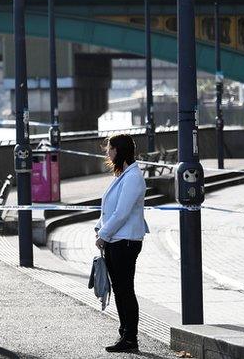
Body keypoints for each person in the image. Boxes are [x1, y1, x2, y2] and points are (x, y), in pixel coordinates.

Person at [94, 133, 149, 353]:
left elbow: (122, 212)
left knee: (125, 289)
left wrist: (104, 234)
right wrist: (100, 228)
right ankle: (124, 333)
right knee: (119, 289)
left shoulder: (134, 177)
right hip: (116, 240)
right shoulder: (124, 175)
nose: (107, 152)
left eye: (109, 148)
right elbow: (109, 209)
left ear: (119, 151)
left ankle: (130, 337)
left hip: (126, 242)